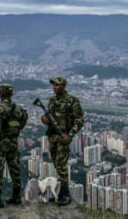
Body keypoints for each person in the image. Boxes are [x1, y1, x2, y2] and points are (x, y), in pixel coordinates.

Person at [41, 76, 84, 206]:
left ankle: (66, 194)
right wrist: (44, 117)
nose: (55, 87)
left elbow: (79, 120)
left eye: (57, 85)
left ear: (64, 86)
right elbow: (49, 114)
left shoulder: (72, 101)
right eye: (53, 85)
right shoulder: (52, 100)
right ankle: (60, 194)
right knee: (57, 165)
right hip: (53, 136)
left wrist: (70, 134)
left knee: (61, 166)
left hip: (63, 137)